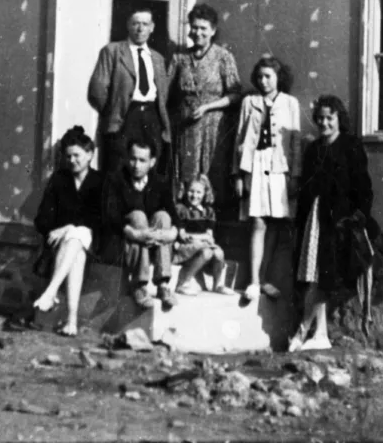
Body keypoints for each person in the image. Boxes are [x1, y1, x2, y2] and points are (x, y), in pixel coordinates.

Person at [289, 95, 374, 352]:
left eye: (330, 118)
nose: (324, 123)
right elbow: (306, 187)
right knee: (315, 274)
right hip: (315, 218)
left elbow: (363, 185)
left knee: (322, 274)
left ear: (339, 119)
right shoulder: (314, 149)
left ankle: (305, 330)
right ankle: (320, 334)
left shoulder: (350, 145)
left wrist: (359, 217)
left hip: (340, 221)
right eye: (321, 118)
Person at [234, 55, 301, 302]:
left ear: (278, 78)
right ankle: (253, 281)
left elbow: (294, 143)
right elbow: (240, 140)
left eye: (268, 77)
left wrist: (294, 175)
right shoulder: (249, 102)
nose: (263, 82)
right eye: (260, 76)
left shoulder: (290, 104)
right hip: (255, 164)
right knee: (258, 223)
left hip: (279, 166)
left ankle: (266, 280)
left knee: (275, 224)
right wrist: (239, 175)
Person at [167, 3, 242, 207]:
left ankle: (210, 225)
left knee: (212, 174)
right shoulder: (179, 57)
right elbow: (166, 93)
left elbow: (235, 95)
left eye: (203, 28)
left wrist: (208, 107)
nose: (197, 32)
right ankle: (186, 221)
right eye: (194, 27)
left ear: (213, 30)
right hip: (186, 127)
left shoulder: (223, 57)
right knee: (186, 173)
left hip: (213, 128)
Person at [33, 126, 103, 337]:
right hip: (66, 245)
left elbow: (101, 219)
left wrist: (70, 227)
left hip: (95, 240)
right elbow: (42, 219)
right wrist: (65, 230)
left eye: (77, 155)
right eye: (69, 156)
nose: (72, 160)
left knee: (77, 234)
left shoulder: (100, 181)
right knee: (77, 252)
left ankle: (51, 291)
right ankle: (71, 321)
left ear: (90, 155)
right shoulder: (59, 180)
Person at [88, 8, 171, 177]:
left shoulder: (157, 58)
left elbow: (163, 93)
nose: (140, 29)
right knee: (118, 166)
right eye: (135, 24)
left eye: (145, 24)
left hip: (152, 116)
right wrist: (114, 111)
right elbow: (97, 91)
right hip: (124, 116)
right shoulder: (113, 51)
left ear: (152, 27)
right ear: (128, 26)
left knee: (150, 169)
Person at [102, 137, 179, 310]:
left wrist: (172, 233)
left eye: (142, 160)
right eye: (133, 158)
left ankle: (163, 285)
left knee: (163, 217)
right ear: (126, 158)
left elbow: (174, 214)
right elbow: (110, 217)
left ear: (152, 162)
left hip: (153, 244)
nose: (136, 165)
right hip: (126, 243)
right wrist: (134, 233)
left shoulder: (160, 182)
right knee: (137, 216)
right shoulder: (115, 180)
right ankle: (139, 285)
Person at [173, 174, 235, 296]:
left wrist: (204, 238)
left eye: (198, 192)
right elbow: (183, 235)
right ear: (186, 191)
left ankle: (217, 284)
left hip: (202, 244)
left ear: (205, 193)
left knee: (218, 253)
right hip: (186, 246)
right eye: (191, 191)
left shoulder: (208, 211)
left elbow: (210, 235)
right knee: (206, 252)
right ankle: (183, 283)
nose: (194, 195)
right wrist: (202, 238)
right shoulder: (181, 209)